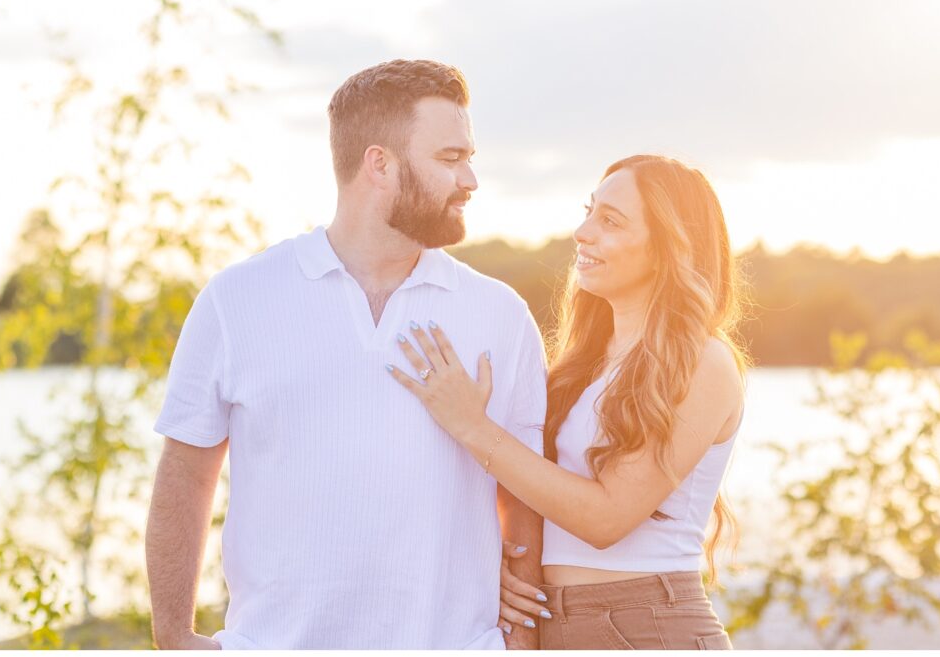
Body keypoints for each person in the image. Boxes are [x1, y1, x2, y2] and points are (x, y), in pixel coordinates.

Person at [145, 60, 546, 650]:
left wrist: (521, 641)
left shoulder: (500, 314)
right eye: (449, 158)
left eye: (469, 157)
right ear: (379, 164)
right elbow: (185, 472)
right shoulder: (237, 300)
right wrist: (173, 635)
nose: (471, 180)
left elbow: (527, 494)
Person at [387, 154, 746, 649]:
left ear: (668, 248)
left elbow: (607, 519)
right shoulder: (587, 363)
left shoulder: (705, 361)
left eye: (610, 221)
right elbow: (532, 491)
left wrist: (472, 424)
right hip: (558, 622)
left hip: (647, 625)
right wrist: (498, 570)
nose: (583, 232)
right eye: (589, 210)